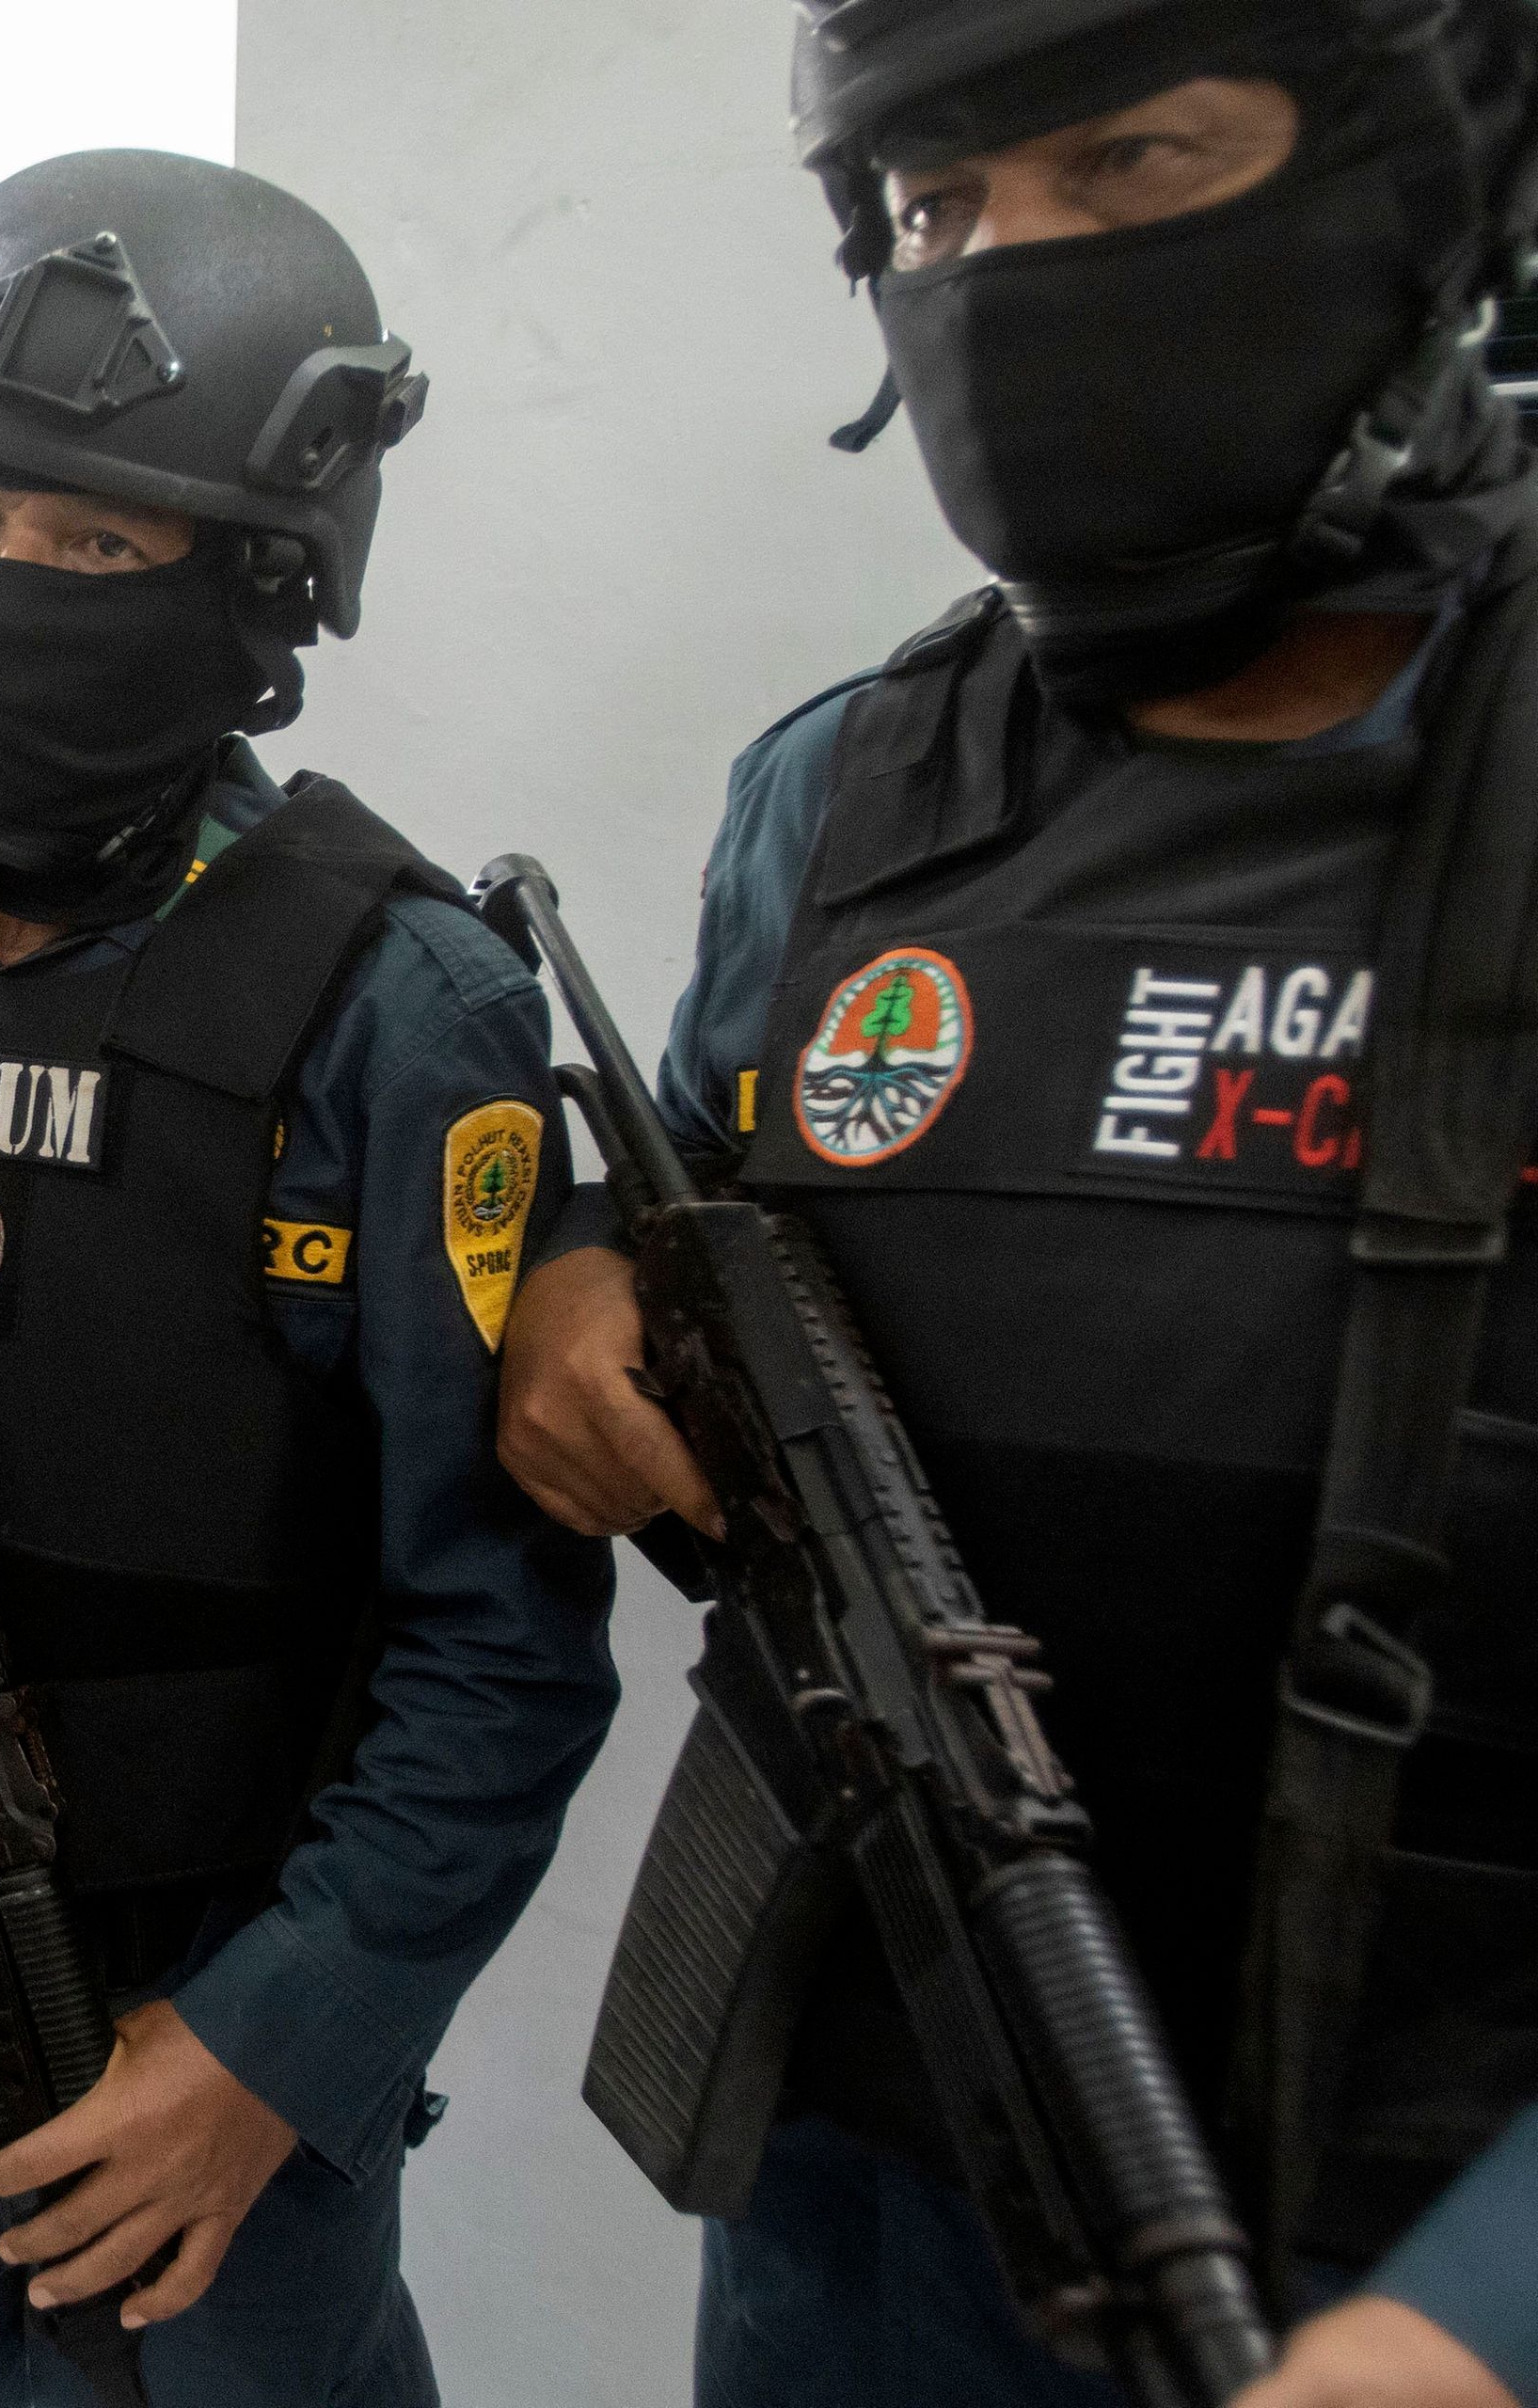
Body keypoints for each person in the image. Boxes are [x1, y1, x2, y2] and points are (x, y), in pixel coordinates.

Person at [492, 7, 1538, 2404]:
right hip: (875, 2180)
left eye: (1134, 161)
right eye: (938, 209)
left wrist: (1475, 2316)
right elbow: (688, 1165)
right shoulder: (852, 790)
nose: (1007, 269)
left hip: (1407, 2241)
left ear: (1420, 177)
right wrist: (571, 1269)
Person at [0, 151, 620, 2407]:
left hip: (193, 2002)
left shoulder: (404, 1005)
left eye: (95, 539)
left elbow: (498, 1651)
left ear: (256, 580)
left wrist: (274, 2051)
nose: (6, 574)